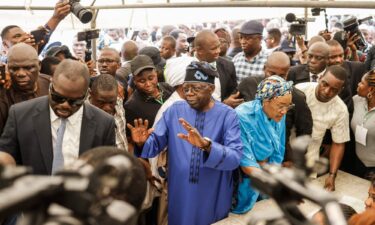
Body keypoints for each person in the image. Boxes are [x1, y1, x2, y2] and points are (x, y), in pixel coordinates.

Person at [127, 61, 242, 225]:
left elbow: (235, 158)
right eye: (186, 88)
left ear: (211, 89)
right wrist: (141, 143)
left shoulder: (227, 115)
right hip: (180, 192)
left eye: (195, 88)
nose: (189, 93)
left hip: (214, 192)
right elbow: (153, 146)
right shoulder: (174, 110)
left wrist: (207, 146)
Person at [0, 59, 116, 175]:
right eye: (58, 97)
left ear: (87, 94)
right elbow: (5, 158)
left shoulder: (104, 123)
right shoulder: (20, 115)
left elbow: (107, 171)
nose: (65, 105)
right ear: (51, 85)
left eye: (74, 101)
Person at [232, 75, 293, 214]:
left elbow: (279, 149)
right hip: (244, 180)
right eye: (281, 106)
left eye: (288, 106)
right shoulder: (242, 116)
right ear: (265, 100)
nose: (284, 111)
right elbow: (246, 161)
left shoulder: (279, 114)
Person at [296, 65, 350, 191]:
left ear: (340, 90)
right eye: (324, 84)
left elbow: (338, 144)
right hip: (281, 158)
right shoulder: (299, 91)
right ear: (319, 78)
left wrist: (332, 175)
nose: (327, 91)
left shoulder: (341, 110)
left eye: (334, 90)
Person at [0, 43, 51, 135]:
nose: (21, 73)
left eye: (28, 68)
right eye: (14, 68)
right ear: (7, 67)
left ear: (39, 65)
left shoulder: (51, 84)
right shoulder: (3, 95)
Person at [1, 1, 70, 56]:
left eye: (25, 35)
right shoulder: (3, 66)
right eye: (17, 36)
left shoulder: (33, 50)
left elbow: (48, 31)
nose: (24, 38)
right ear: (5, 45)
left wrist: (57, 16)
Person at [193, 30, 243, 107]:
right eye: (213, 49)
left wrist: (225, 104)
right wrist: (223, 104)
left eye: (218, 46)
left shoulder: (228, 66)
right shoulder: (184, 68)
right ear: (199, 50)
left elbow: (232, 93)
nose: (218, 51)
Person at [89, 74, 128, 151]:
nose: (107, 108)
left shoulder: (119, 103)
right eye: (101, 102)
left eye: (111, 102)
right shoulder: (84, 116)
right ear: (91, 94)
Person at [351, 70, 375, 178]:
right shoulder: (356, 100)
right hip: (357, 162)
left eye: (361, 83)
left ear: (371, 89)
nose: (358, 84)